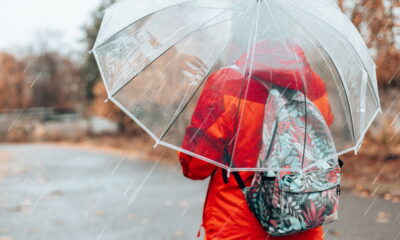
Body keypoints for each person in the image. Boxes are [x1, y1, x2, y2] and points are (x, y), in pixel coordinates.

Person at [178, 40, 334, 240]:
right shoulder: (314, 85)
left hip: (237, 225)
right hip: (302, 218)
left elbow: (195, 166)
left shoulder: (228, 84)